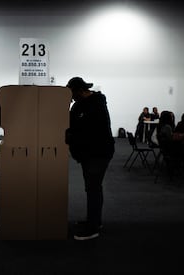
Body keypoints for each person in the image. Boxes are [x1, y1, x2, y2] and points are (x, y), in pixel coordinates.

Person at [65, 77, 115, 241]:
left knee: (93, 188)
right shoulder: (81, 105)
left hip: (98, 153)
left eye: (72, 95)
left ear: (79, 91)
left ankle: (92, 228)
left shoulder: (96, 105)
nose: (71, 99)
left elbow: (84, 129)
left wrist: (72, 135)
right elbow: (71, 123)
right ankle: (94, 221)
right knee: (92, 188)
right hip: (90, 153)